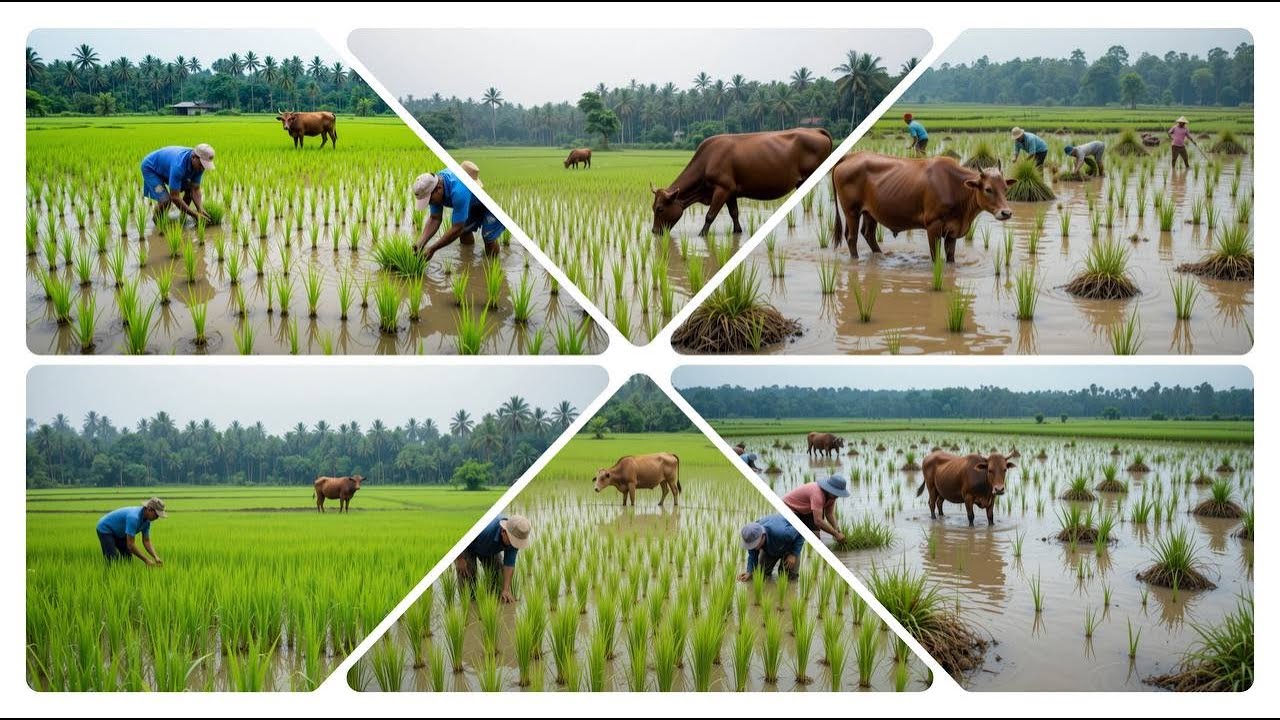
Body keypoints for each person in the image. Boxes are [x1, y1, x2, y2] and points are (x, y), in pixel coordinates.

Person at [413, 165, 505, 260]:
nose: (429, 204)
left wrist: (432, 249)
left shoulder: (458, 191)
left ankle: (491, 265)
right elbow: (435, 218)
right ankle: (467, 262)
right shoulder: (432, 187)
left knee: (488, 237)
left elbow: (457, 228)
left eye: (429, 201)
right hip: (471, 201)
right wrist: (420, 243)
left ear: (439, 189)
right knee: (465, 231)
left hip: (488, 201)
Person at [455, 514, 531, 603]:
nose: (513, 545)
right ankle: (470, 607)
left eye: (516, 542)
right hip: (467, 546)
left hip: (488, 547)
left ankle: (492, 604)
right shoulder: (485, 529)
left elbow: (509, 565)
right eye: (512, 541)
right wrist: (459, 559)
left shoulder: (515, 536)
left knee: (498, 575)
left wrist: (506, 589)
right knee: (467, 578)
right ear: (503, 532)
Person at [141, 144, 215, 222]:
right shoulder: (179, 165)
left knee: (189, 190)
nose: (202, 168)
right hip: (151, 169)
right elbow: (174, 197)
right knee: (165, 200)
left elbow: (195, 189)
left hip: (167, 168)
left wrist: (200, 208)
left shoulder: (199, 167)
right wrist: (194, 214)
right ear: (193, 157)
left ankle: (182, 218)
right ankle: (157, 222)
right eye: (201, 164)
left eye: (205, 165)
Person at [96, 497, 166, 565]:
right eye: (156, 515)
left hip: (120, 532)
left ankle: (123, 574)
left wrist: (155, 557)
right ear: (149, 509)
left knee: (128, 558)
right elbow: (130, 545)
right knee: (112, 559)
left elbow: (146, 541)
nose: (157, 518)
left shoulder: (147, 522)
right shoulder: (134, 518)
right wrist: (146, 560)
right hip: (105, 529)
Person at [781, 475, 849, 542]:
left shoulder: (832, 496)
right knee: (795, 537)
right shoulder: (817, 494)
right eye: (836, 493)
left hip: (807, 509)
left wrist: (837, 528)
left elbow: (829, 513)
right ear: (830, 489)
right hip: (790, 508)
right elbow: (818, 521)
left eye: (838, 493)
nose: (837, 496)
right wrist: (835, 534)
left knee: (816, 537)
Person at [738, 514, 805, 581]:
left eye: (754, 544)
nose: (753, 547)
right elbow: (752, 555)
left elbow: (801, 530)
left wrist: (794, 554)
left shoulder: (784, 533)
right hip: (770, 548)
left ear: (762, 536)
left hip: (789, 547)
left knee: (789, 578)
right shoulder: (751, 534)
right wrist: (749, 571)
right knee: (762, 575)